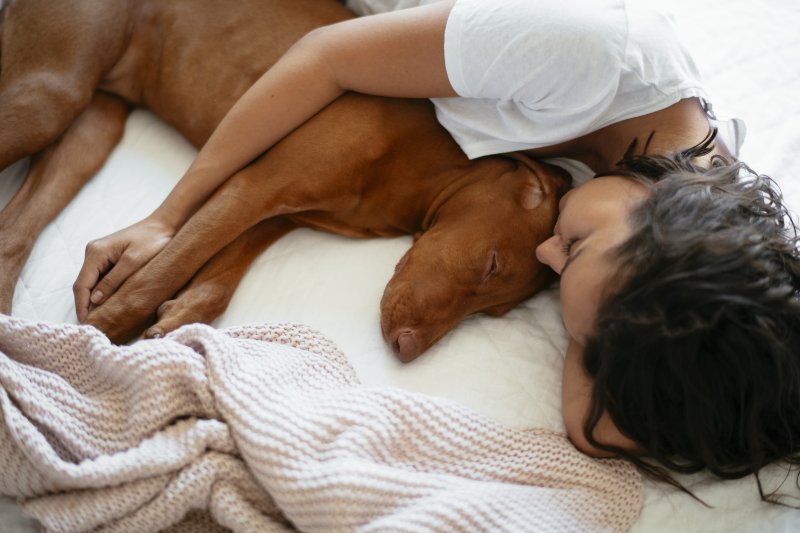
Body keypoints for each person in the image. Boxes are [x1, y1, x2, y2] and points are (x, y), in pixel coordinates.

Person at [72, 0, 800, 499]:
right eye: (572, 249)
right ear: (656, 211)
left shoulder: (700, 236)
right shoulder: (593, 57)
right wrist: (167, 217)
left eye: (584, 342)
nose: (547, 255)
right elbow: (324, 57)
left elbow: (593, 429)